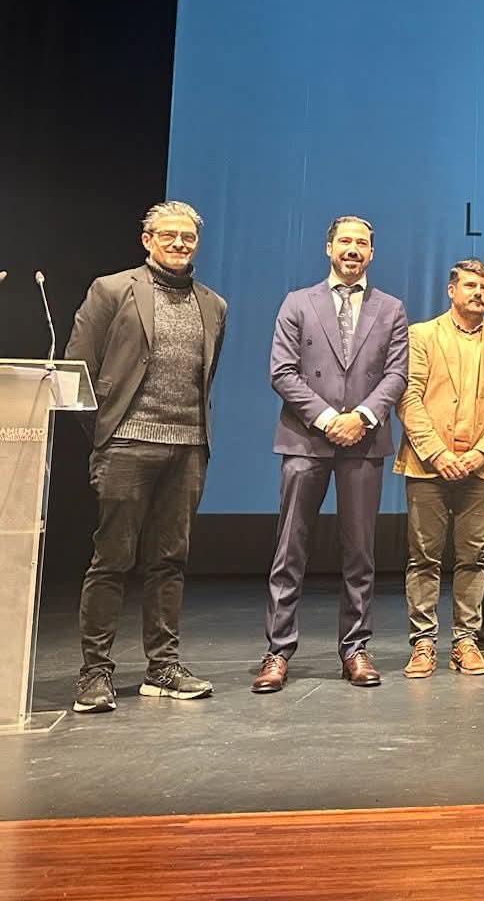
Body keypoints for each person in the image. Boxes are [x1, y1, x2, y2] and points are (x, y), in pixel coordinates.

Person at [65, 201, 227, 713]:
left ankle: (163, 668)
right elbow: (79, 371)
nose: (179, 244)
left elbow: (205, 377)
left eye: (188, 237)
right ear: (147, 240)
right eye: (169, 235)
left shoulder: (213, 304)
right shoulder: (112, 289)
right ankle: (95, 673)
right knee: (112, 559)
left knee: (169, 561)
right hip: (127, 444)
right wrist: (107, 434)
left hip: (189, 447)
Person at [254, 217, 408, 692]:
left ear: (372, 253)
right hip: (305, 439)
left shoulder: (391, 308)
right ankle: (278, 651)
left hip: (364, 440)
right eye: (345, 241)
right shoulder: (297, 302)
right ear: (329, 248)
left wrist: (360, 417)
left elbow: (397, 375)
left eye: (362, 243)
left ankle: (355, 649)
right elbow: (282, 372)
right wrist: (327, 418)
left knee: (360, 551)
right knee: (290, 548)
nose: (353, 249)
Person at [392, 259, 484, 680]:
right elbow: (407, 397)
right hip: (427, 467)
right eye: (470, 285)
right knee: (424, 558)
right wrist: (437, 453)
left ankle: (466, 640)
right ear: (452, 290)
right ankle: (423, 643)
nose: (478, 293)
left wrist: (481, 453)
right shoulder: (421, 336)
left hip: (480, 470)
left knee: (473, 557)